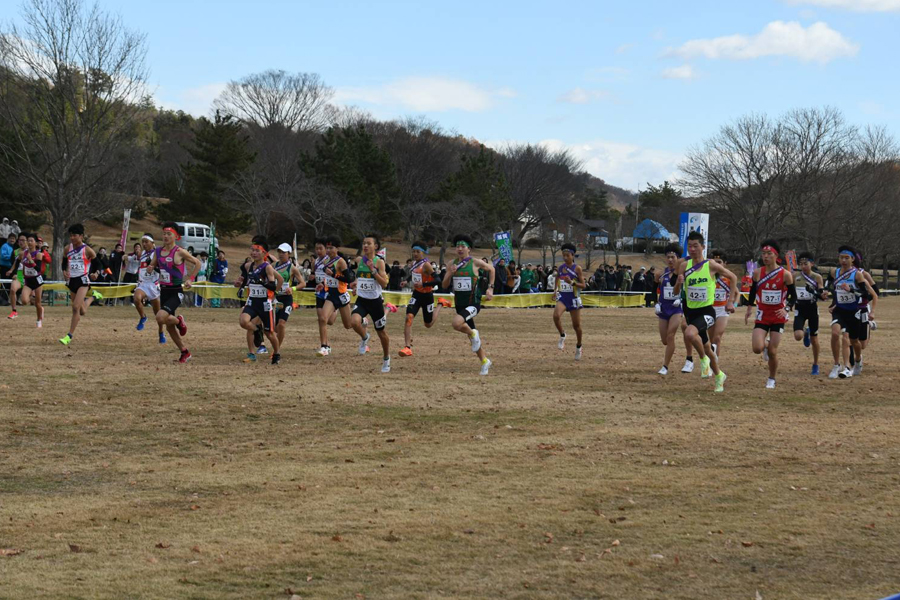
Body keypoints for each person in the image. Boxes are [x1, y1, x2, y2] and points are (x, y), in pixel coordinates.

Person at [673, 231, 731, 393]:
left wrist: (731, 300)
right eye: (689, 246)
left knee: (690, 334)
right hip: (690, 311)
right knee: (707, 348)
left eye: (695, 246)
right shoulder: (684, 266)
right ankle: (719, 375)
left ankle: (703, 360)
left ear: (703, 247)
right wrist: (678, 282)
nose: (692, 249)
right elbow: (676, 290)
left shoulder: (711, 265)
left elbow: (732, 277)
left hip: (706, 311)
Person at [146, 222, 201, 363]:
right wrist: (150, 268)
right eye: (164, 233)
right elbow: (153, 264)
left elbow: (197, 263)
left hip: (176, 291)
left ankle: (179, 321)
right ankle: (185, 352)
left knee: (160, 317)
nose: (165, 236)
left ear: (176, 236)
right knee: (169, 326)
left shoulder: (179, 251)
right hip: (163, 290)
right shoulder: (157, 251)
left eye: (169, 233)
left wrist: (191, 279)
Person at [744, 240, 796, 389]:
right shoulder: (757, 273)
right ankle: (765, 345)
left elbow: (794, 296)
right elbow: (753, 291)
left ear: (776, 255)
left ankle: (771, 378)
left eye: (769, 254)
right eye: (764, 254)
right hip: (762, 314)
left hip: (778, 316)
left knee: (773, 351)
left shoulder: (785, 274)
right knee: (756, 348)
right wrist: (749, 308)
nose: (766, 257)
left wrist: (787, 308)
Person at [443, 234, 495, 375]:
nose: (459, 249)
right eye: (457, 246)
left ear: (469, 249)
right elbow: (444, 285)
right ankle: (485, 361)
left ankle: (473, 333)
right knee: (473, 339)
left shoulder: (475, 262)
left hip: (473, 303)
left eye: (463, 246)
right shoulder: (451, 264)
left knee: (456, 323)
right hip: (459, 304)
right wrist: (450, 274)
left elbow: (492, 269)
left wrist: (490, 288)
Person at [826, 245, 877, 379]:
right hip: (840, 310)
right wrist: (825, 291)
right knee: (837, 334)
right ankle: (841, 366)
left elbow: (866, 294)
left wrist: (851, 290)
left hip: (855, 311)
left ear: (853, 259)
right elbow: (829, 282)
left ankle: (858, 360)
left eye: (846, 258)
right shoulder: (834, 272)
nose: (843, 260)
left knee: (856, 342)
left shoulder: (858, 274)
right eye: (841, 257)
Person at [348, 234, 391, 373]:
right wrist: (356, 285)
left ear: (376, 247)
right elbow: (360, 278)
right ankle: (365, 337)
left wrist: (373, 270)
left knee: (382, 333)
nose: (365, 246)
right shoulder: (360, 260)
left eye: (368, 243)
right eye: (364, 243)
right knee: (354, 322)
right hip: (362, 300)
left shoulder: (379, 262)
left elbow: (384, 283)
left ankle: (386, 358)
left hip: (375, 302)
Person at [400, 241, 451, 357]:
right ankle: (407, 347)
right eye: (413, 251)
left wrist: (424, 284)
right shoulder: (414, 263)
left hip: (427, 296)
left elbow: (438, 280)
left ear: (424, 253)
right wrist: (406, 281)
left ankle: (440, 304)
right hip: (416, 295)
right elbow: (414, 275)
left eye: (418, 251)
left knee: (428, 324)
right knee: (409, 317)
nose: (415, 254)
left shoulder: (426, 265)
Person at [238, 236, 283, 364]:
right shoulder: (248, 266)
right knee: (243, 322)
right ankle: (257, 332)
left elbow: (273, 286)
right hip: (252, 301)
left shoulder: (267, 267)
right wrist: (240, 284)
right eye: (252, 250)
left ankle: (277, 353)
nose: (254, 253)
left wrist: (261, 282)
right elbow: (246, 279)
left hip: (264, 303)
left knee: (270, 333)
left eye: (257, 250)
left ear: (264, 253)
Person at [59, 224, 99, 345]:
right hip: (72, 281)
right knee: (81, 311)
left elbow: (99, 264)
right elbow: (64, 261)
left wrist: (95, 273)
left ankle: (68, 336)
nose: (72, 238)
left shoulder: (87, 250)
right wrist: (64, 271)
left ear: (81, 236)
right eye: (70, 235)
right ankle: (94, 297)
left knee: (75, 307)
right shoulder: (67, 248)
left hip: (83, 281)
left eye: (74, 235)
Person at [318, 236, 355, 356]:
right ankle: (324, 347)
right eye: (327, 248)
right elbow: (327, 278)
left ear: (337, 248)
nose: (328, 250)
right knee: (323, 318)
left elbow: (348, 279)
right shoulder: (325, 261)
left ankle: (362, 320)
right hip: (331, 295)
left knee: (348, 325)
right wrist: (322, 285)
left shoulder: (341, 261)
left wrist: (334, 275)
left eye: (331, 248)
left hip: (341, 294)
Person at [654, 244, 687, 375]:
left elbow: (688, 289)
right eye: (668, 257)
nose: (670, 260)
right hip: (663, 308)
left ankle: (665, 366)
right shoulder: (660, 274)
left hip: (676, 308)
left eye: (673, 257)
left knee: (670, 335)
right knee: (664, 340)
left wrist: (682, 299)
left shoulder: (682, 274)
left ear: (678, 258)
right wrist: (655, 303)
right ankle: (669, 352)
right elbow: (654, 290)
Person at [792, 252, 826, 375]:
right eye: (801, 264)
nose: (803, 266)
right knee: (797, 336)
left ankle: (815, 364)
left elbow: (821, 291)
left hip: (812, 309)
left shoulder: (816, 277)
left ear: (811, 263)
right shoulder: (795, 276)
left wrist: (821, 293)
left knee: (815, 339)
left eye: (805, 264)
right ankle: (805, 332)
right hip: (800, 308)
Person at [553, 243, 585, 360]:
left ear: (573, 255)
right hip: (563, 297)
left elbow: (583, 285)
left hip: (574, 298)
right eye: (563, 255)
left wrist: (572, 282)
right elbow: (557, 278)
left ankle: (579, 346)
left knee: (576, 326)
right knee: (556, 316)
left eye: (567, 255)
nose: (565, 257)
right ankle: (562, 335)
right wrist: (555, 290)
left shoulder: (577, 268)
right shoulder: (561, 268)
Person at [272, 243, 306, 351]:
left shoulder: (292, 268)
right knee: (275, 327)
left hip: (287, 299)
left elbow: (303, 283)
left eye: (284, 252)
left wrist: (293, 288)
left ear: (289, 254)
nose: (281, 254)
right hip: (276, 299)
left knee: (281, 324)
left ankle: (276, 349)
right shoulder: (274, 266)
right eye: (279, 252)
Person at [133, 235, 166, 344]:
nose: (144, 244)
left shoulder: (157, 253)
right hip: (143, 284)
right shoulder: (142, 254)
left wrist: (153, 267)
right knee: (136, 299)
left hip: (153, 285)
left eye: (146, 242)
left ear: (152, 242)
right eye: (143, 242)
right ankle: (143, 317)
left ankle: (161, 332)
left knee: (158, 315)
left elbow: (162, 269)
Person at [709, 250, 737, 359]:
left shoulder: (728, 278)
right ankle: (712, 358)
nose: (717, 264)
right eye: (715, 262)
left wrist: (732, 303)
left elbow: (736, 293)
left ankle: (715, 361)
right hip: (710, 308)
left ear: (725, 263)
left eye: (719, 262)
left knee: (717, 337)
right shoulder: (708, 276)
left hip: (722, 309)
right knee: (711, 339)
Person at [18, 233, 45, 327]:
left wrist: (31, 260)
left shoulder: (38, 254)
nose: (29, 242)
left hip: (37, 280)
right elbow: (21, 265)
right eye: (28, 240)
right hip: (28, 281)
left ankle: (39, 320)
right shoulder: (23, 253)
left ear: (35, 243)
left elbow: (39, 269)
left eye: (31, 241)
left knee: (37, 304)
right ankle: (37, 304)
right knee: (24, 301)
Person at [0, 232, 15, 305]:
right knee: (4, 284)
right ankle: (2, 300)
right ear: (8, 239)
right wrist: (11, 257)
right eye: (11, 238)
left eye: (13, 239)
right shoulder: (4, 246)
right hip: (4, 267)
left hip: (11, 268)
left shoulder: (14, 247)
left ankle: (7, 300)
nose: (12, 240)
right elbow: (3, 256)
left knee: (10, 285)